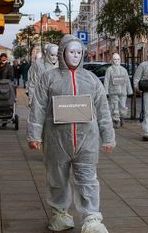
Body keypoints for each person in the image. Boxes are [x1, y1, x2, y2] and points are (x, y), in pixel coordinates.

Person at [27, 35, 114, 233]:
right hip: (56, 140)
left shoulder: (91, 79)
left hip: (87, 142)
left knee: (88, 179)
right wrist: (34, 135)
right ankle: (60, 214)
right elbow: (38, 108)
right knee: (57, 179)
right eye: (71, 52)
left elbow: (103, 109)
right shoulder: (49, 78)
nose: (75, 56)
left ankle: (92, 218)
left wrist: (108, 137)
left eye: (78, 52)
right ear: (62, 53)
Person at [104, 53, 133, 128]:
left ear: (120, 60)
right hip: (113, 91)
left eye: (118, 59)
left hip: (123, 92)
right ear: (112, 60)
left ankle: (122, 117)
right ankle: (116, 120)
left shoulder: (123, 70)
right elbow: (106, 81)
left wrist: (130, 91)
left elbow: (127, 81)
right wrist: (106, 91)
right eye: (115, 59)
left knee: (123, 106)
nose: (116, 61)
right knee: (114, 106)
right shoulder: (109, 70)